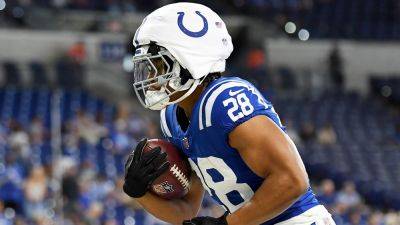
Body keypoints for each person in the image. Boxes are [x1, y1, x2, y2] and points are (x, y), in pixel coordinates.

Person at [123, 2, 336, 225]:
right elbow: (186, 212)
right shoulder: (171, 117)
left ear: (189, 60)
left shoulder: (224, 100)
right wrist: (137, 192)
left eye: (158, 65)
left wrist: (227, 223)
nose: (150, 76)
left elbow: (293, 181)